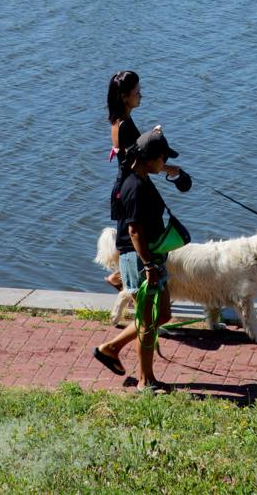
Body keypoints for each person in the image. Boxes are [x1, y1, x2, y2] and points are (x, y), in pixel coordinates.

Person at [93, 127, 180, 393]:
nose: (165, 163)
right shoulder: (134, 187)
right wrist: (149, 265)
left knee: (161, 315)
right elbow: (134, 231)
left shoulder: (141, 177)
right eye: (163, 158)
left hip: (152, 256)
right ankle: (146, 381)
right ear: (150, 158)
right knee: (147, 321)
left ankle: (111, 348)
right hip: (140, 260)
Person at [103, 71, 186, 288]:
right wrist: (169, 168)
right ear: (124, 97)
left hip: (126, 185)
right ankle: (130, 281)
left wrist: (150, 138)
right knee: (138, 237)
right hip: (132, 189)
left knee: (133, 240)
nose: (141, 95)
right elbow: (138, 161)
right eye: (137, 92)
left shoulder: (121, 120)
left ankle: (122, 280)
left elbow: (137, 153)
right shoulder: (124, 125)